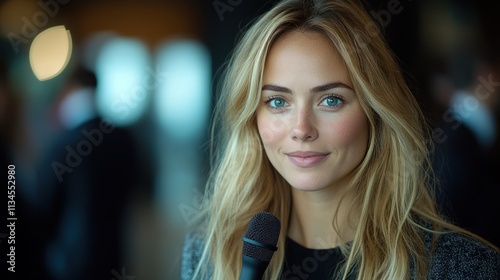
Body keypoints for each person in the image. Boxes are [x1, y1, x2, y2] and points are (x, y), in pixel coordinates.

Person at [181, 0, 500, 279]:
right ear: (253, 116)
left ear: (375, 112)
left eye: (330, 100)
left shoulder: (461, 266)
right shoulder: (210, 254)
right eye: (278, 102)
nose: (302, 129)